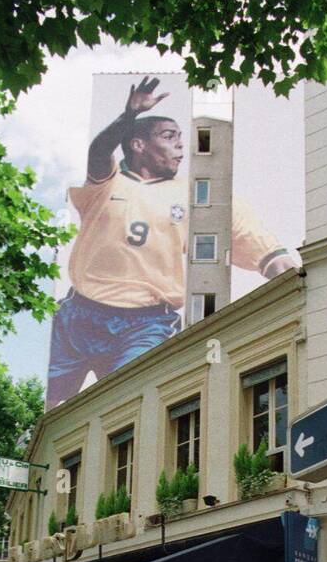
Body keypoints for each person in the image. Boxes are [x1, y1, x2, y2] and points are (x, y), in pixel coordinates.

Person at [46, 75, 298, 408]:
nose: (181, 145)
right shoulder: (107, 183)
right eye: (169, 136)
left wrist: (302, 287)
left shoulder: (198, 195)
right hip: (79, 314)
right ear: (138, 144)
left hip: (144, 324)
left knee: (127, 409)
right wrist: (128, 116)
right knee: (53, 417)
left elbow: (265, 249)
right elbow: (98, 152)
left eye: (182, 137)